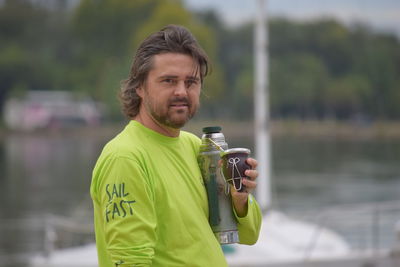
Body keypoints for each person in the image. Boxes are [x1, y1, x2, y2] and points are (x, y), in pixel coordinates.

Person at [90, 24, 262, 267]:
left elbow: (249, 235)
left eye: (191, 82)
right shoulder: (126, 158)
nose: (181, 91)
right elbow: (130, 262)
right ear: (139, 86)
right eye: (169, 81)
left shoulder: (197, 148)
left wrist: (239, 198)